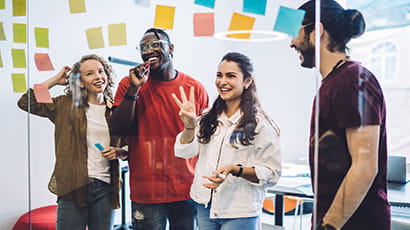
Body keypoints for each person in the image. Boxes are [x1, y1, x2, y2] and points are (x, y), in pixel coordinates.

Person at [290, 0, 390, 229]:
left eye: (295, 33)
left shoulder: (354, 80)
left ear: (317, 32)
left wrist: (329, 225)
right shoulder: (333, 82)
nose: (291, 43)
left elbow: (364, 167)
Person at [109, 28, 209, 230]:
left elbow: (206, 139)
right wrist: (133, 90)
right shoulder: (128, 84)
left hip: (186, 187)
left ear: (171, 48)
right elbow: (117, 129)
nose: (148, 51)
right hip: (147, 189)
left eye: (155, 45)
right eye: (143, 47)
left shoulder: (195, 88)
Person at [172, 52, 281, 230]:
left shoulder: (261, 124)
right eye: (219, 75)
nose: (222, 82)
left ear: (247, 81)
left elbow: (272, 174)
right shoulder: (209, 116)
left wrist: (235, 170)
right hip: (204, 205)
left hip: (239, 211)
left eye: (231, 76)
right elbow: (183, 151)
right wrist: (189, 126)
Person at [17, 54, 127, 230]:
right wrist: (54, 80)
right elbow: (26, 101)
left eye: (101, 71)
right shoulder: (65, 106)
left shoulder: (115, 109)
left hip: (106, 188)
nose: (98, 76)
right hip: (72, 186)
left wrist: (120, 152)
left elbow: (128, 145)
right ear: (81, 82)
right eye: (90, 73)